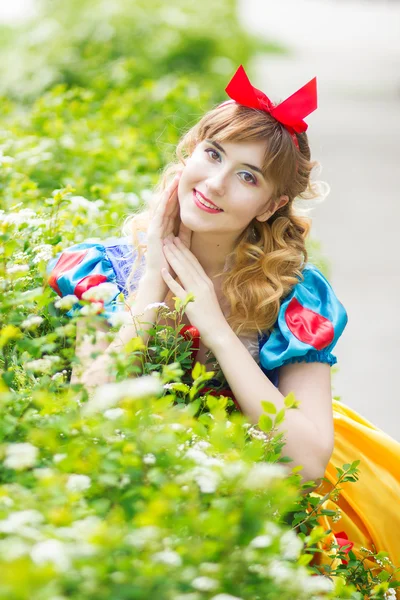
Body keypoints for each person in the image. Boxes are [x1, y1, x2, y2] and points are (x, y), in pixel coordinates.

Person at [47, 65, 400, 581]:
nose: (214, 183)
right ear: (190, 154)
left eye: (247, 176)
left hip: (254, 496)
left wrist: (213, 325)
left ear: (272, 204)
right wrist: (150, 286)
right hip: (139, 492)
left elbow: (305, 462)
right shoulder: (105, 269)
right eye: (212, 154)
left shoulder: (292, 297)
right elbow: (84, 414)